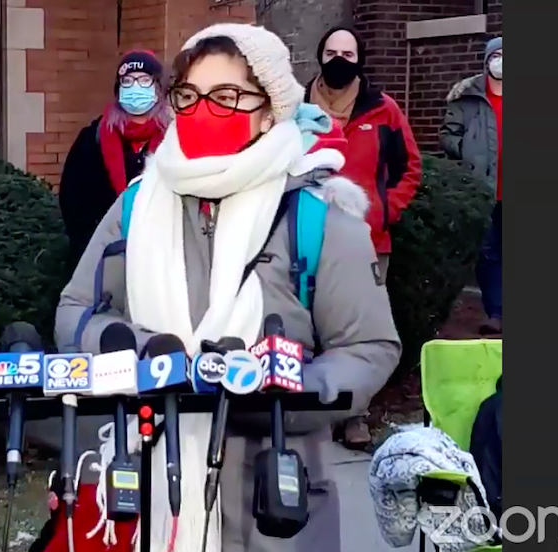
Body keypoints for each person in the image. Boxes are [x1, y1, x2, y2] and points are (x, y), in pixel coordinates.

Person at [52, 23, 401, 552]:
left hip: (273, 507)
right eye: (188, 96)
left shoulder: (316, 215)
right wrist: (142, 353)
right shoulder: (136, 206)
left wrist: (290, 391)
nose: (201, 111)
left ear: (269, 109)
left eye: (227, 96)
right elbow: (76, 310)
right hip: (143, 494)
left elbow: (370, 346)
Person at [306, 26, 422, 449]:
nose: (339, 59)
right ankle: (310, 410)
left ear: (360, 59)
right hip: (306, 235)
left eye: (348, 53)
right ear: (320, 56)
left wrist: (385, 211)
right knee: (308, 325)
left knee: (360, 331)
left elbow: (411, 167)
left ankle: (354, 415)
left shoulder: (383, 110)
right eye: (332, 51)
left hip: (368, 241)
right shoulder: (296, 107)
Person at [58, 50, 172, 265]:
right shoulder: (93, 138)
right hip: (104, 254)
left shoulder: (175, 139)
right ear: (118, 89)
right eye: (127, 81)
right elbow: (72, 199)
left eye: (144, 80)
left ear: (158, 88)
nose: (135, 87)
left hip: (161, 257)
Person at [441, 37, 502, 335]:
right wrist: (467, 147)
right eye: (497, 55)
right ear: (487, 59)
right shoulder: (467, 97)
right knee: (488, 252)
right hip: (484, 188)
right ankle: (496, 313)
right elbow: (447, 135)